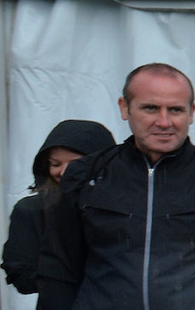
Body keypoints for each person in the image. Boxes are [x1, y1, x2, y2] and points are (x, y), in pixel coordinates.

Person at [38, 64, 195, 309]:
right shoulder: (85, 176)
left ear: (191, 113)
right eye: (151, 108)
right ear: (125, 108)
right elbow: (59, 267)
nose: (164, 122)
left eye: (176, 110)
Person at [2, 120, 113, 295]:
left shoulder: (125, 207)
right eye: (55, 164)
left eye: (75, 163)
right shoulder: (32, 210)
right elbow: (21, 277)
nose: (63, 172)